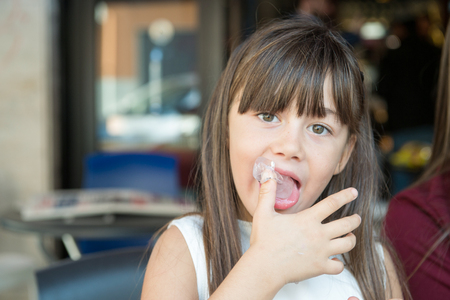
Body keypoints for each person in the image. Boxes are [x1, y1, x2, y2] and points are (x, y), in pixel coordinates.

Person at [141, 15, 406, 300]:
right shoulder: (184, 248)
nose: (290, 146)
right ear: (227, 129)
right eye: (268, 116)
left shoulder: (375, 266)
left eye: (319, 128)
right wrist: (266, 266)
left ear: (344, 154)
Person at [384, 20, 450, 300]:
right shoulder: (429, 50)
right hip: (426, 127)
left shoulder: (393, 55)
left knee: (403, 185)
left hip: (401, 129)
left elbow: (383, 90)